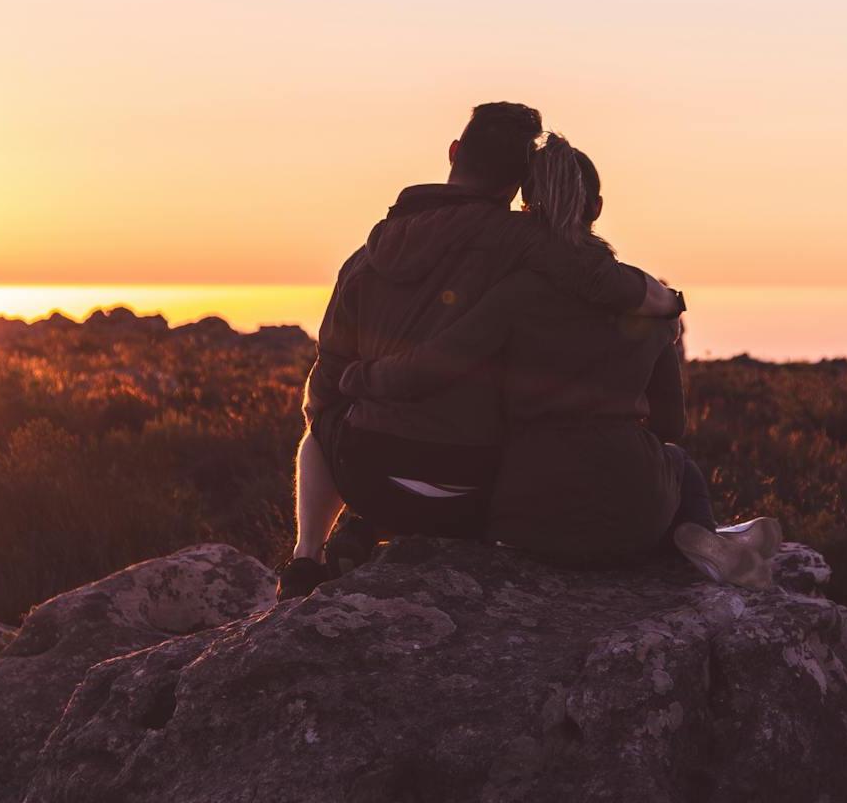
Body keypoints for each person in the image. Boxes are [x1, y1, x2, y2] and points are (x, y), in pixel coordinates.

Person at [336, 134, 781, 587]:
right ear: (598, 207)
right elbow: (670, 424)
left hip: (527, 512)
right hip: (633, 500)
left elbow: (432, 367)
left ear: (527, 207)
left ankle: (358, 533)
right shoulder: (650, 306)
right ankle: (701, 537)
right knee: (678, 463)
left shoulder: (512, 296)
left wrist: (358, 377)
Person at [281, 103, 683, 599]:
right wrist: (668, 301)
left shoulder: (366, 257)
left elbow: (326, 386)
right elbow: (599, 278)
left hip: (371, 478)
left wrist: (352, 392)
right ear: (520, 186)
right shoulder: (525, 244)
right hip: (477, 495)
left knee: (319, 417)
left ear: (454, 153)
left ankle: (306, 557)